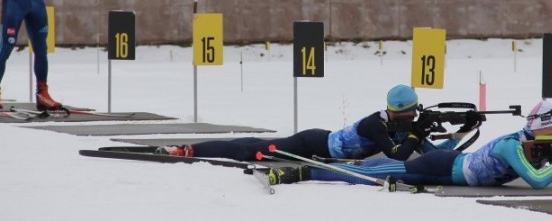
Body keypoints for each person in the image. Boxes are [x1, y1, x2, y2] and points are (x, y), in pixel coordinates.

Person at [268, 100, 552, 188]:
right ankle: (303, 171)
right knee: (370, 173)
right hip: (441, 167)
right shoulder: (511, 145)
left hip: (450, 169)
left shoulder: (547, 150)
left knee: (372, 170)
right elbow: (538, 181)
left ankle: (311, 167)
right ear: (539, 130)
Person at [156, 84, 457, 162]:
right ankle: (189, 150)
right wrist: (416, 136)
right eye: (412, 115)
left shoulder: (397, 124)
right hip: (310, 143)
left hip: (319, 140)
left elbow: (423, 150)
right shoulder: (375, 125)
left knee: (251, 145)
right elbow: (397, 154)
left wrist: (454, 144)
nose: (416, 118)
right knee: (249, 151)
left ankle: (189, 148)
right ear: (402, 113)